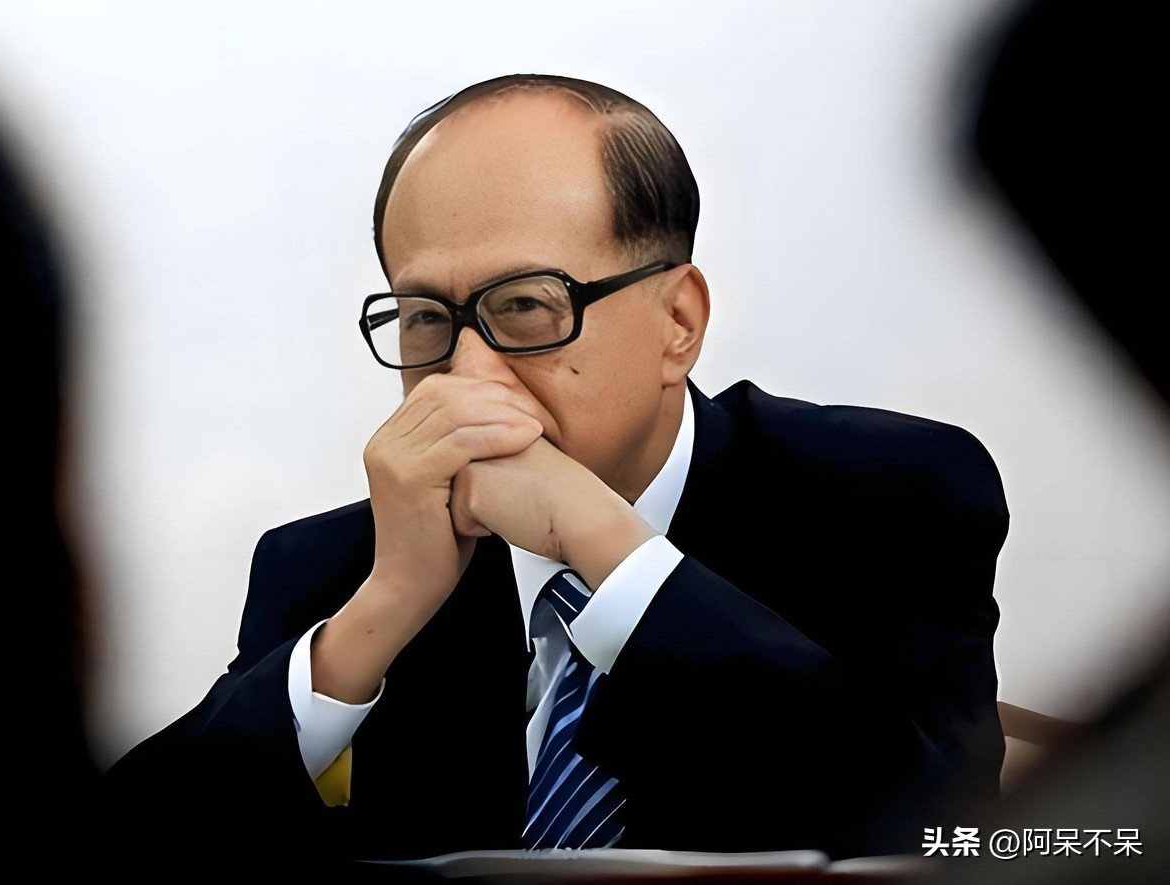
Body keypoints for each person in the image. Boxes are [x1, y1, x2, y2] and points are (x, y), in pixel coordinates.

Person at [106, 73, 1010, 869]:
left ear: (679, 321)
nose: (469, 376)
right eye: (426, 319)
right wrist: (382, 610)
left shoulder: (885, 495)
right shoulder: (338, 570)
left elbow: (949, 832)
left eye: (526, 306)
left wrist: (611, 553)